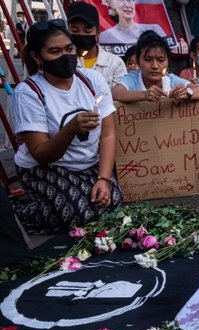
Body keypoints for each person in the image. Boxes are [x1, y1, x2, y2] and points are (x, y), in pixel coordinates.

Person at [10, 20, 122, 232]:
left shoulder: (92, 80)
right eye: (55, 51)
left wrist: (104, 178)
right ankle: (16, 211)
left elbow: (108, 134)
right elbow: (41, 154)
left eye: (69, 49)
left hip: (87, 165)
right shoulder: (28, 92)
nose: (65, 56)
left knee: (112, 202)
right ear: (37, 57)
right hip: (45, 168)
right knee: (76, 213)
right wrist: (70, 130)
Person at [112, 31, 199, 102]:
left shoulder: (172, 80)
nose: (155, 66)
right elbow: (116, 93)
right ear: (138, 61)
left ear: (168, 61)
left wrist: (187, 93)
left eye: (160, 60)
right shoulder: (132, 79)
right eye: (148, 59)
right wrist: (145, 95)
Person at [67, 1, 127, 88]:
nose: (81, 34)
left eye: (87, 31)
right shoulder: (64, 61)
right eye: (75, 30)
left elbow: (119, 97)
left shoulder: (114, 63)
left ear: (98, 32)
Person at [99, 0, 167, 48]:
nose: (127, 5)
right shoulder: (105, 36)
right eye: (121, 0)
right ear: (111, 4)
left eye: (130, 0)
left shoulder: (154, 29)